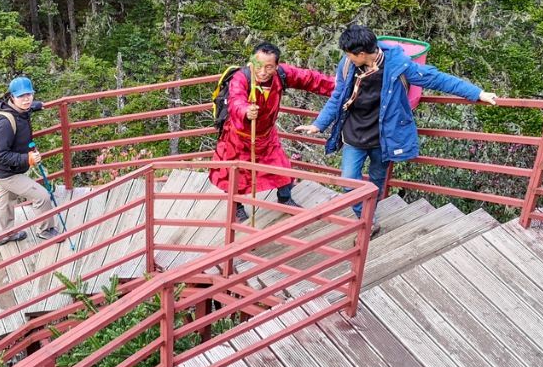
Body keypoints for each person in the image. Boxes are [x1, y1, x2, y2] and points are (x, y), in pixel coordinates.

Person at [299, 24, 498, 233]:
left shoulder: (398, 64)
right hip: (354, 134)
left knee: (376, 181)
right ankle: (364, 216)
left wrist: (478, 93)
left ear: (362, 53)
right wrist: (318, 124)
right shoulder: (348, 65)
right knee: (349, 182)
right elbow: (338, 96)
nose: (347, 58)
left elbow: (437, 79)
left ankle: (368, 221)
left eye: (350, 55)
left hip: (384, 137)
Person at [209, 42, 336, 221]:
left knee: (281, 167)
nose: (263, 72)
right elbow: (236, 99)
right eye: (259, 66)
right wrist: (245, 110)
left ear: (276, 66)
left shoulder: (281, 75)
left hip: (266, 136)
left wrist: (339, 86)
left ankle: (285, 198)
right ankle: (236, 206)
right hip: (237, 137)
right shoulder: (241, 78)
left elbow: (309, 79)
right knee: (234, 174)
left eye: (269, 67)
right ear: (251, 62)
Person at [0, 76, 63, 245]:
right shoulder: (5, 123)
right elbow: (1, 154)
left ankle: (5, 234)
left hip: (5, 169)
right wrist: (27, 158)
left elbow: (27, 109)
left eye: (29, 95)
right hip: (6, 172)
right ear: (12, 97)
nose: (26, 99)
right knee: (42, 196)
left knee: (6, 199)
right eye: (21, 96)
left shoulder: (20, 110)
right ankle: (46, 230)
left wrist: (36, 106)